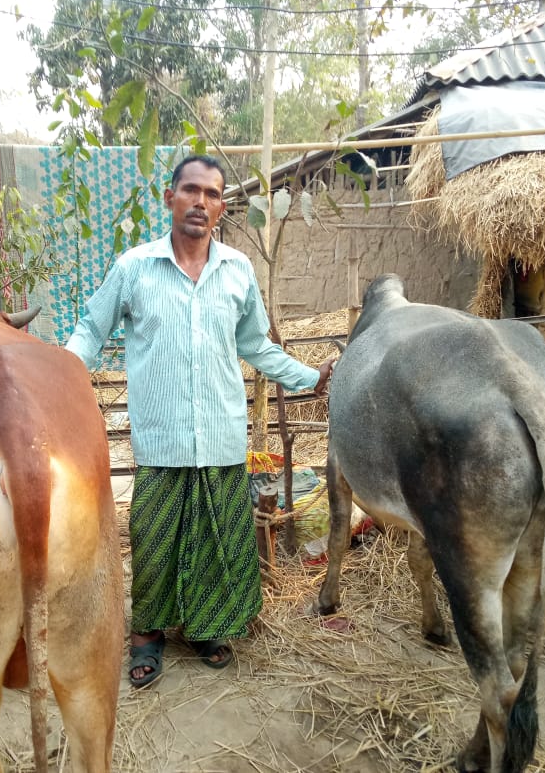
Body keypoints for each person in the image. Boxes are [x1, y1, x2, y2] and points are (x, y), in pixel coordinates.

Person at [66, 154, 333, 689]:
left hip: (220, 436)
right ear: (170, 198)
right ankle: (147, 635)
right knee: (154, 542)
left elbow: (256, 345)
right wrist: (59, 377)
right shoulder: (134, 268)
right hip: (161, 439)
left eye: (212, 194)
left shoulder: (237, 270)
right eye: (191, 190)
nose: (201, 201)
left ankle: (206, 628)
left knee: (217, 542)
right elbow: (91, 331)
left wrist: (309, 377)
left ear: (221, 208)